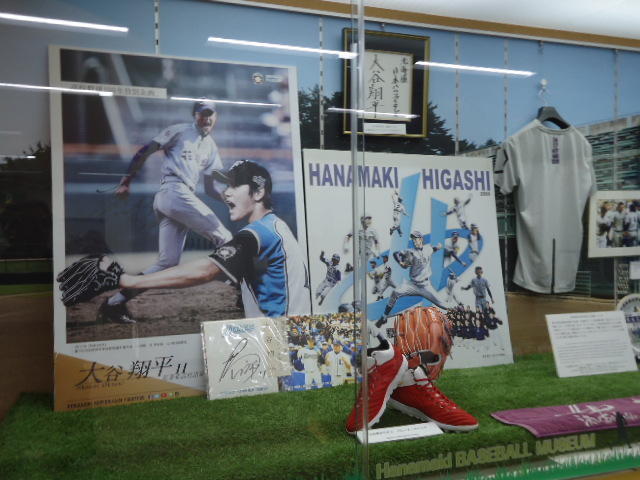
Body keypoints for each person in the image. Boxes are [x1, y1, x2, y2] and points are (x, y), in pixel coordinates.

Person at [109, 160, 311, 318]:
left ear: (258, 193)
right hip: (295, 332)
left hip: (284, 339)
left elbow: (205, 271)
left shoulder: (258, 233)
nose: (226, 192)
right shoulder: (275, 226)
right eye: (227, 186)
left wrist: (131, 280)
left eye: (235, 186)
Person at [100, 100, 232, 323]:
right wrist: (126, 180)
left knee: (167, 264)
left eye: (211, 113)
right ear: (195, 115)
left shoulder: (210, 146)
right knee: (226, 239)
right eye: (202, 113)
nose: (207, 118)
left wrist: (229, 200)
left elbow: (211, 188)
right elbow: (146, 150)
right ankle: (244, 291)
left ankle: (114, 303)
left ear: (216, 116)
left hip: (178, 196)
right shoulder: (180, 131)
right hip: (173, 191)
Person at [377, 231, 446, 325]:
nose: (414, 241)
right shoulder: (410, 252)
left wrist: (438, 246)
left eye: (416, 238)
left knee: (442, 304)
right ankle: (384, 317)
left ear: (421, 239)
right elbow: (396, 254)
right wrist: (401, 262)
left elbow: (433, 249)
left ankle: (458, 316)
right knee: (394, 293)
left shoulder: (427, 249)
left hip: (425, 286)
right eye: (413, 239)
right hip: (412, 285)